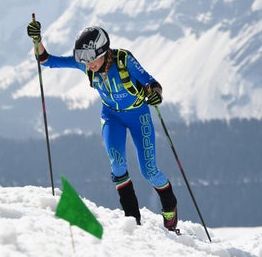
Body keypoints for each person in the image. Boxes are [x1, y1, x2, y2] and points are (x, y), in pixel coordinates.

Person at [27, 19, 178, 231]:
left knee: (149, 171)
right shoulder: (85, 64)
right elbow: (46, 60)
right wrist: (37, 40)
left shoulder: (124, 60)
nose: (88, 65)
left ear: (103, 51)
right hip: (111, 117)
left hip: (138, 116)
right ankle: (132, 220)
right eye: (84, 61)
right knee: (117, 164)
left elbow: (151, 82)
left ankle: (169, 204)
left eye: (91, 59)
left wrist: (156, 95)